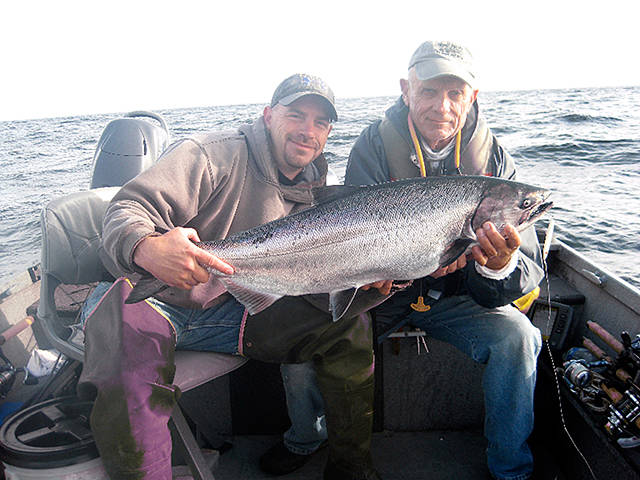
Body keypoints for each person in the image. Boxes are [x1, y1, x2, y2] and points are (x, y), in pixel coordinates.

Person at [78, 73, 386, 480]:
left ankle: (351, 469)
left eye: (321, 123)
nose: (307, 131)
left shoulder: (317, 189)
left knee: (348, 330)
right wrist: (146, 249)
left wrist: (372, 279)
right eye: (296, 115)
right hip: (145, 297)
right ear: (268, 115)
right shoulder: (212, 154)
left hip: (229, 311)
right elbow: (126, 209)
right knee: (130, 376)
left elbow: (305, 282)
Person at [259, 42, 544, 480]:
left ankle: (511, 468)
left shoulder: (495, 162)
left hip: (456, 298)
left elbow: (520, 275)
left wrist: (493, 265)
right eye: (429, 91)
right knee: (303, 340)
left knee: (519, 337)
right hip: (379, 299)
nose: (441, 107)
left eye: (454, 94)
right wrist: (382, 274)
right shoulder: (374, 146)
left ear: (472, 97)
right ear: (406, 90)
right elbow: (350, 231)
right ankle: (307, 436)